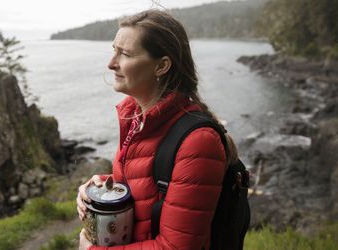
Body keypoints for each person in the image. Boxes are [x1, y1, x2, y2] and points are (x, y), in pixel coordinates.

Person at [77, 9, 239, 250]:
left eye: (125, 54)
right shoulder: (138, 118)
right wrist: (103, 189)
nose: (111, 64)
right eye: (114, 50)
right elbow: (150, 188)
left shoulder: (198, 142)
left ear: (161, 66)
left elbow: (177, 247)